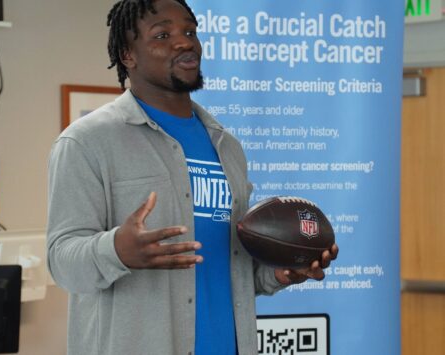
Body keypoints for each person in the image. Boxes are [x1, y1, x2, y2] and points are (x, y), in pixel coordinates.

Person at [47, 0, 339, 354]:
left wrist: (278, 274)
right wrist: (118, 250)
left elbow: (229, 264)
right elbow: (62, 262)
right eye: (163, 34)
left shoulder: (225, 145)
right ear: (128, 55)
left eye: (189, 31)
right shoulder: (87, 142)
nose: (184, 42)